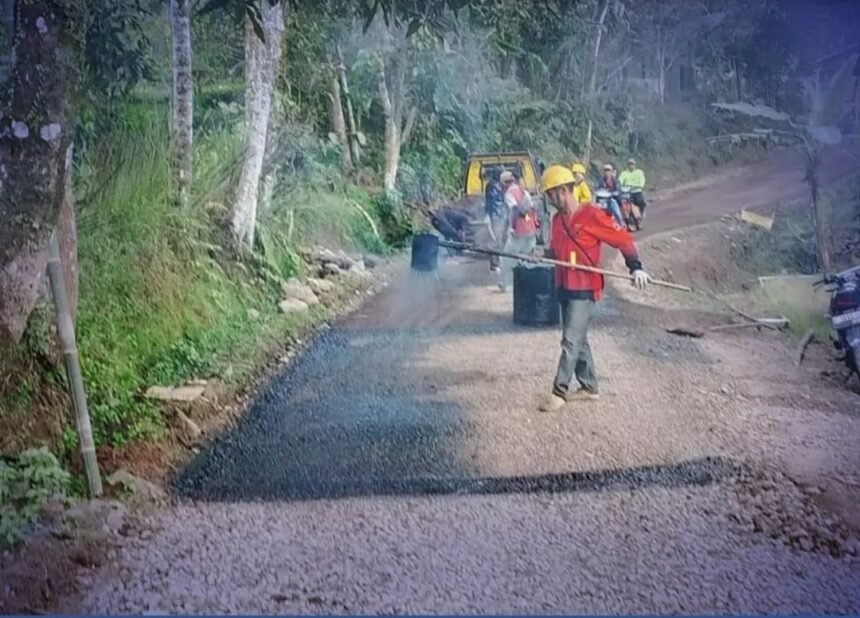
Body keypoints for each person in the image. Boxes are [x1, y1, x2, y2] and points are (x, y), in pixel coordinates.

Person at [535, 165, 651, 412]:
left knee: (570, 341)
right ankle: (589, 387)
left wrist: (636, 267)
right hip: (564, 285)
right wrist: (540, 254)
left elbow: (623, 240)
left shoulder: (592, 215)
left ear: (564, 191)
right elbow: (556, 251)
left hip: (585, 288)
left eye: (551, 194)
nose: (549, 200)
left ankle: (559, 392)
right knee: (579, 339)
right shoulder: (557, 221)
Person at [498, 170, 539, 292]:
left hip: (519, 231)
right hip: (530, 230)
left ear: (504, 184)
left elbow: (514, 210)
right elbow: (532, 208)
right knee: (528, 258)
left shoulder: (509, 194)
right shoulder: (523, 191)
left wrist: (513, 228)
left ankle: (503, 284)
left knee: (506, 257)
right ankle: (531, 285)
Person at [484, 168, 507, 273]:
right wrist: (489, 215)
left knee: (498, 240)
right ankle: (494, 265)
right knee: (495, 240)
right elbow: (492, 203)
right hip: (496, 216)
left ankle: (497, 263)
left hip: (499, 215)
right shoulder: (493, 186)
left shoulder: (496, 185)